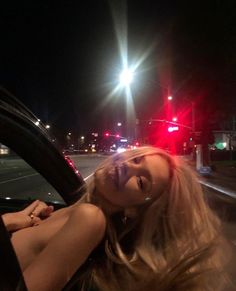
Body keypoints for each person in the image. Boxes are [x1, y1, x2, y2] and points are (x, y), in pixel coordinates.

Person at [3, 146, 230, 291]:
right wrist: (18, 219)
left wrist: (10, 222)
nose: (126, 167)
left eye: (141, 183)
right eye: (136, 159)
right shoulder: (71, 211)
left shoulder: (90, 218)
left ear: (135, 210)